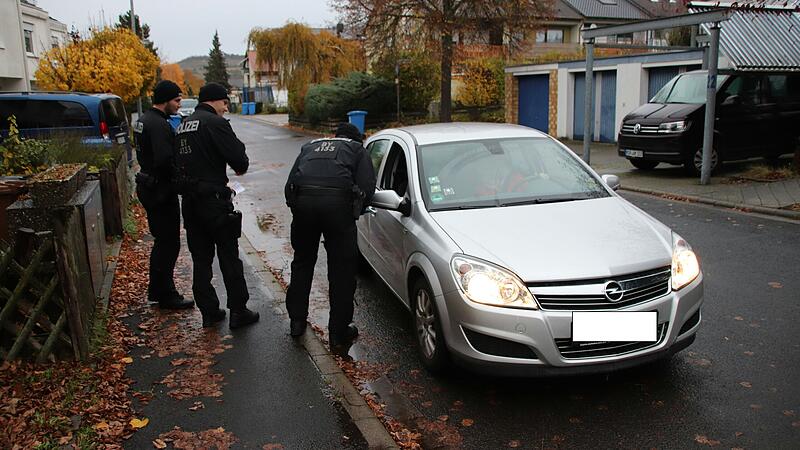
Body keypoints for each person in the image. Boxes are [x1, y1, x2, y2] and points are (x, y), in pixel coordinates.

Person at [172, 82, 259, 329]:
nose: (226, 107)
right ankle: (239, 312)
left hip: (190, 203)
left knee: (201, 260)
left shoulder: (182, 126)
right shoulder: (216, 124)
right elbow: (240, 162)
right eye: (225, 102)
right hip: (214, 204)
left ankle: (209, 312)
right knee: (229, 258)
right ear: (215, 101)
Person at [284, 123, 376, 346]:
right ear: (358, 138)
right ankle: (338, 332)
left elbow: (290, 186)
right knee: (342, 271)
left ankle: (296, 322)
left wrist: (299, 209)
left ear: (335, 136)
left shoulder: (310, 146)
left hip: (304, 207)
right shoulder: (356, 148)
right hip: (338, 210)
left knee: (302, 263)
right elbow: (367, 187)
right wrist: (355, 210)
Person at [133, 80, 193, 310]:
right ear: (166, 100)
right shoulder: (158, 125)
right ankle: (165, 294)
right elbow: (165, 160)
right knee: (168, 244)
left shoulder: (143, 120)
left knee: (162, 241)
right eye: (177, 100)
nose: (179, 105)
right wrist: (181, 181)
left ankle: (158, 290)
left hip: (149, 186)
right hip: (159, 190)